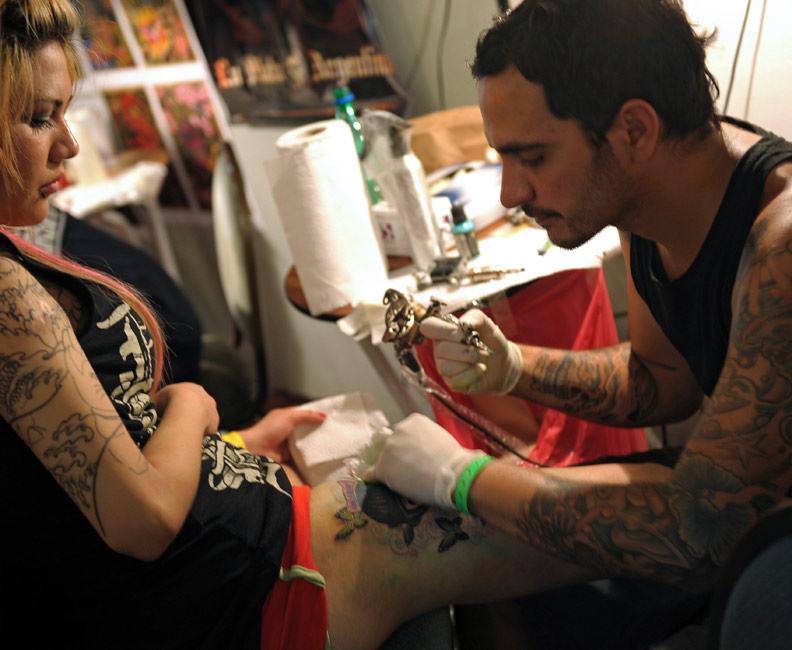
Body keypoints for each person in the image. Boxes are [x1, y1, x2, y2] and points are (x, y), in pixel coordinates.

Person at [0, 2, 600, 649]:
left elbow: (70, 472)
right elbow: (142, 520)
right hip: (253, 590)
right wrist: (192, 406)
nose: (69, 144)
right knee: (549, 521)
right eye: (38, 118)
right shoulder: (7, 299)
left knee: (510, 523)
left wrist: (236, 442)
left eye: (63, 112)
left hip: (250, 540)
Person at [369, 0, 792, 647]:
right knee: (479, 571)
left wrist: (460, 477)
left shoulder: (781, 247)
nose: (510, 193)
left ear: (634, 131)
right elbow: (660, 381)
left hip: (757, 542)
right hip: (747, 513)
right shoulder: (650, 191)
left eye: (533, 158)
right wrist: (513, 367)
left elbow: (698, 528)